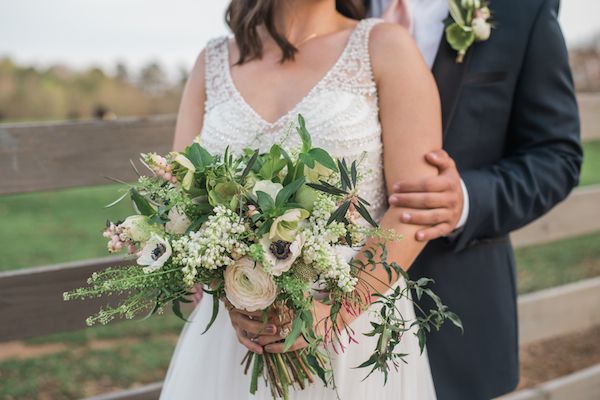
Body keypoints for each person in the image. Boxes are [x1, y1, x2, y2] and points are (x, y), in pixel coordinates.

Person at [161, 0, 446, 398]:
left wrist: (333, 313)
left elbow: (415, 208)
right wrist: (227, 293)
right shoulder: (211, 62)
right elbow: (180, 198)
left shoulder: (385, 46)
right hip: (234, 328)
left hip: (356, 326)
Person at [367, 0, 582, 399]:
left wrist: (466, 199)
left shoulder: (522, 10)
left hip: (457, 318)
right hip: (337, 323)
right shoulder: (331, 9)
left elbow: (558, 157)